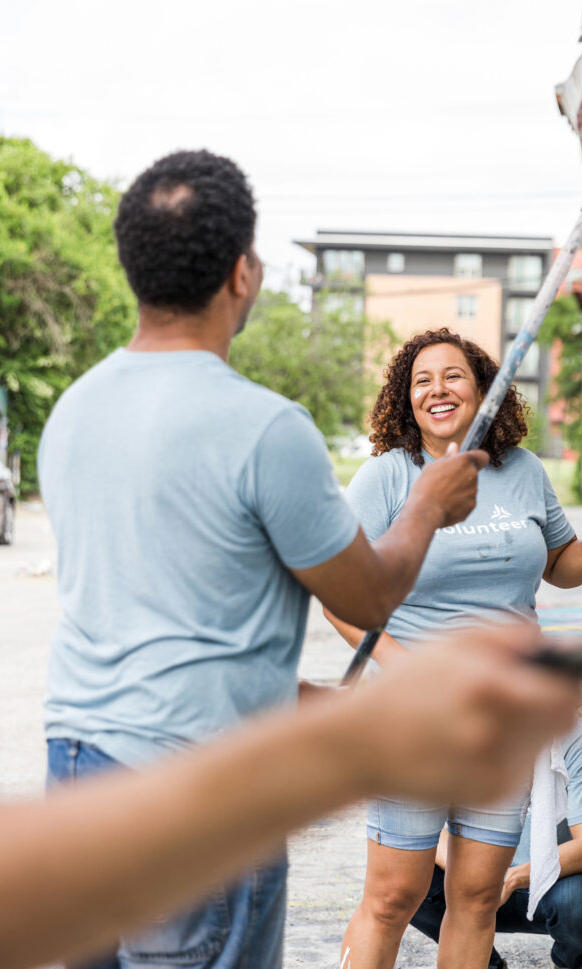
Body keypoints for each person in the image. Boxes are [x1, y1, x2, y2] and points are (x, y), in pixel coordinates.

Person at [0, 0, 582, 969]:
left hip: (86, 775)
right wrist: (350, 744)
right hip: (182, 809)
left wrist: (329, 711)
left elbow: (176, 640)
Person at [38, 149, 499, 967]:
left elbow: (152, 613)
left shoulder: (74, 411)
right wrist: (426, 505)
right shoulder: (263, 426)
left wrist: (288, 696)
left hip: (78, 772)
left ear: (131, 269)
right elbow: (368, 594)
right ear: (243, 273)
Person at [331, 328, 582, 969]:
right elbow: (339, 593)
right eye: (421, 381)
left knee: (476, 894)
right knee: (392, 896)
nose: (437, 390)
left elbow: (558, 566)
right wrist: (401, 665)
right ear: (405, 400)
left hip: (504, 715)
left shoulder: (522, 471)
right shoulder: (386, 478)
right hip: (415, 717)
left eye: (453, 376)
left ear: (484, 389)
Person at [410, 718, 582, 969]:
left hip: (554, 882)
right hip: (480, 878)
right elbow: (430, 833)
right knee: (406, 878)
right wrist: (476, 875)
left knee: (578, 902)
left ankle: (567, 962)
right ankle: (486, 963)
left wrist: (511, 877)